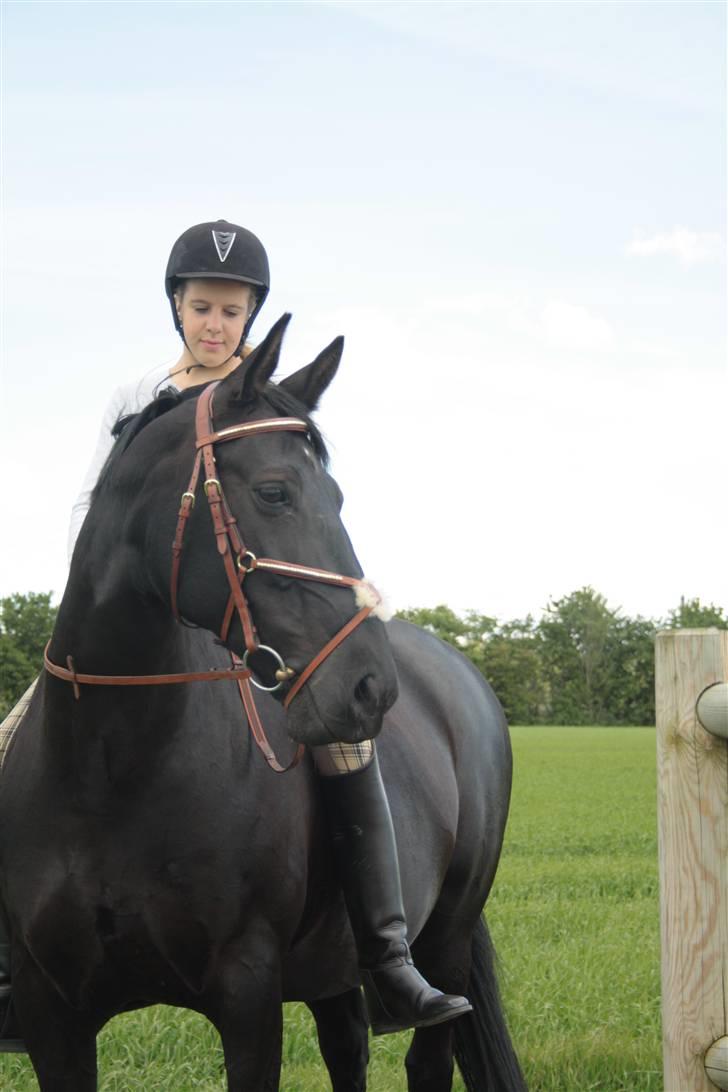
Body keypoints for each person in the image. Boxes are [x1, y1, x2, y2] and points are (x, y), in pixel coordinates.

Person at [0, 220, 471, 1051]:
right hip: (133, 618)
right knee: (10, 744)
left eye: (232, 311)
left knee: (344, 748)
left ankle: (388, 955)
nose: (216, 324)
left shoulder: (271, 406)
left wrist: (349, 589)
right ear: (177, 308)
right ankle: (11, 961)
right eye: (202, 307)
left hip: (241, 623)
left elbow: (306, 514)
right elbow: (92, 506)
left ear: (252, 317)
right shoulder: (140, 395)